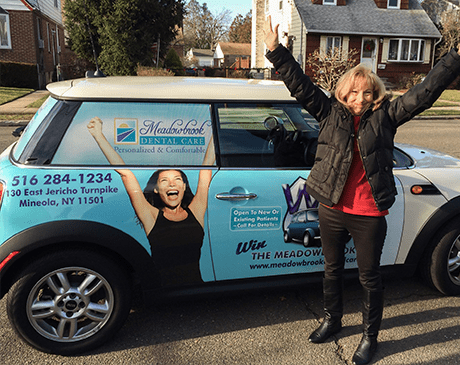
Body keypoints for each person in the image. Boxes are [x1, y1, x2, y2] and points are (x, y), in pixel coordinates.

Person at [263, 16, 460, 365]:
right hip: (332, 209)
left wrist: (454, 58)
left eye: (367, 92)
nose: (360, 98)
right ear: (342, 92)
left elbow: (424, 92)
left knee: (370, 277)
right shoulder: (328, 113)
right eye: (354, 92)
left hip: (369, 214)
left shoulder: (387, 116)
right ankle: (332, 320)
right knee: (331, 269)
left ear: (376, 94)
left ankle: (370, 338)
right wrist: (276, 51)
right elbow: (300, 85)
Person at [87, 116, 215, 286]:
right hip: (163, 289)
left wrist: (217, 120)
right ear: (156, 189)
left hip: (196, 287)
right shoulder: (151, 216)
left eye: (177, 179)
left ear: (184, 186)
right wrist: (98, 135)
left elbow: (207, 166)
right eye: (164, 181)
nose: (172, 183)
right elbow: (126, 174)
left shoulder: (196, 211)